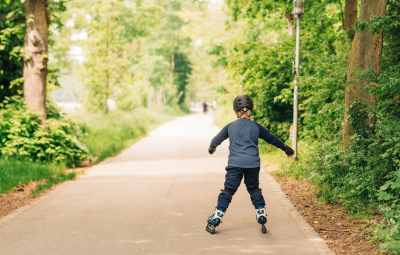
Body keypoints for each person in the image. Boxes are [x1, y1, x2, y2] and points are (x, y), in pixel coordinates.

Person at [205, 94, 295, 234]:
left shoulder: (230, 127)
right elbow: (272, 139)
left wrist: (212, 148)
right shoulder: (256, 127)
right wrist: (286, 148)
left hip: (235, 164)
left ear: (235, 111)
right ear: (251, 110)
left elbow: (216, 140)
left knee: (228, 190)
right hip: (252, 164)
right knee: (253, 188)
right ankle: (261, 213)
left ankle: (218, 215)